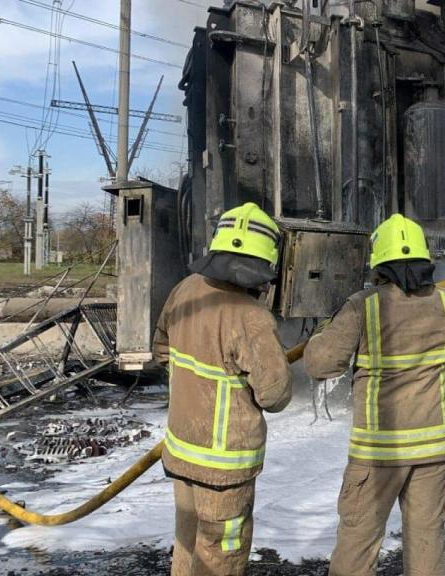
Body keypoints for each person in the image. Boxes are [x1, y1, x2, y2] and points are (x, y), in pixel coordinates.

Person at [303, 213, 445, 576]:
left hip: (377, 454)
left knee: (358, 544)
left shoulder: (363, 306)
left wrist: (329, 326)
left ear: (379, 263)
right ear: (426, 260)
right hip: (431, 454)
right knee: (427, 543)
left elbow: (320, 364)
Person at [153, 202, 293, 576]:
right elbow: (274, 395)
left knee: (187, 544)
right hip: (224, 469)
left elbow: (162, 349)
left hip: (182, 451)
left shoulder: (185, 290)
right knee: (220, 556)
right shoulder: (251, 317)